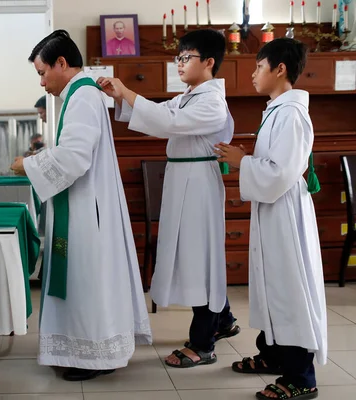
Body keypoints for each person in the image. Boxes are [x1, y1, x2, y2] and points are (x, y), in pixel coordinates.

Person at [10, 29, 152, 381]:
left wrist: (27, 164)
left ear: (62, 63)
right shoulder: (79, 93)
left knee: (87, 281)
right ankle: (82, 351)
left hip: (87, 212)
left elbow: (74, 158)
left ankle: (93, 356)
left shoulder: (83, 96)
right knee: (86, 282)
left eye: (43, 73)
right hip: (84, 205)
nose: (42, 83)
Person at [98, 29, 239, 368]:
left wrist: (127, 92)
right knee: (194, 256)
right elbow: (158, 114)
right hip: (183, 181)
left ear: (208, 62)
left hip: (198, 186)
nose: (179, 64)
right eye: (178, 57)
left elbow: (166, 121)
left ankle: (203, 343)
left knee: (199, 259)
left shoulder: (211, 102)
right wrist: (121, 98)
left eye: (186, 57)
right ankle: (223, 320)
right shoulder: (190, 94)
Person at [215, 37, 326, 400]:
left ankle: (301, 376)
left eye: (258, 67)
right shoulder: (277, 109)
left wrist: (241, 161)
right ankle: (273, 354)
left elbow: (280, 173)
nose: (253, 74)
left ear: (280, 69)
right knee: (271, 287)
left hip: (286, 213)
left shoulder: (292, 114)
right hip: (274, 211)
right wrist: (246, 157)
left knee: (288, 290)